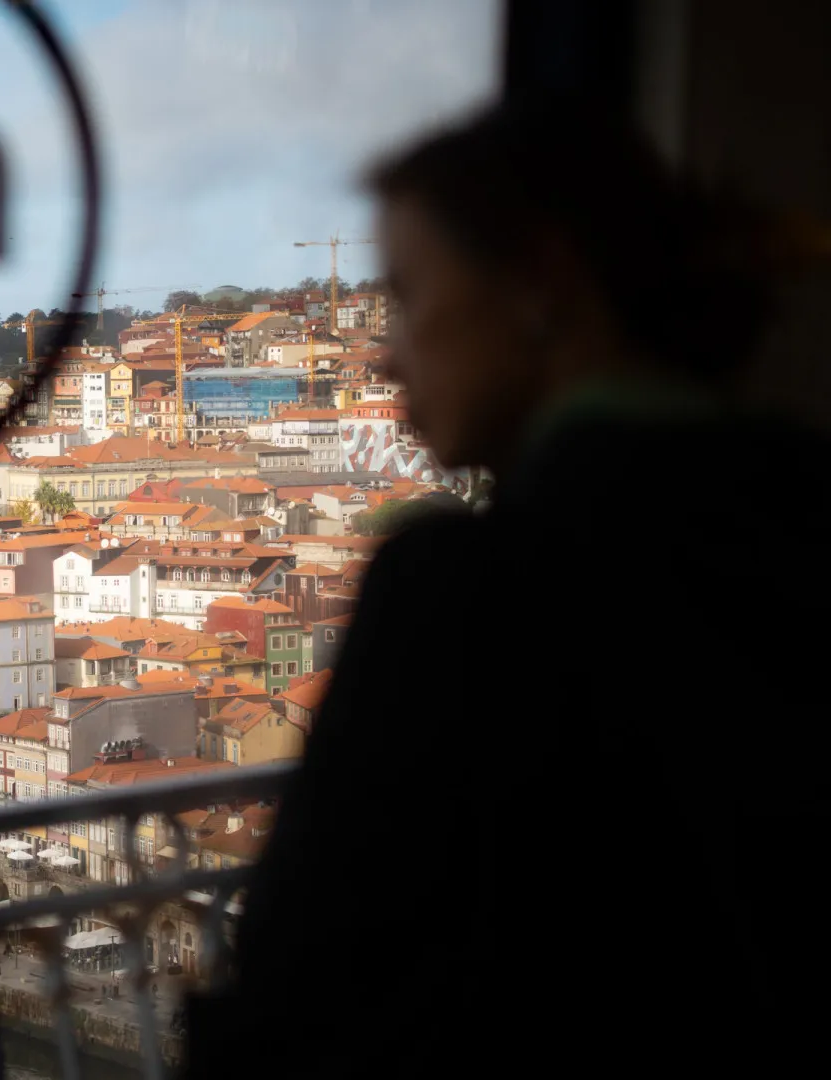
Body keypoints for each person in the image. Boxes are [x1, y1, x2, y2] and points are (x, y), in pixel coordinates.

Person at [180, 98, 825, 1079]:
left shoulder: (469, 588)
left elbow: (302, 995)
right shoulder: (800, 515)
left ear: (542, 288)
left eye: (406, 294)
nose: (383, 353)